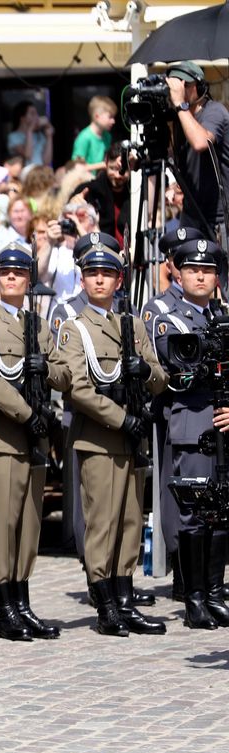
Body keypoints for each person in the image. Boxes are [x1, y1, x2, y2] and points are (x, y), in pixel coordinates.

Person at [0, 243, 70, 641]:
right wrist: (28, 413)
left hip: (34, 438)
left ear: (28, 279)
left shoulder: (38, 327)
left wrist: (49, 370)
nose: (11, 278)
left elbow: (64, 370)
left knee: (29, 523)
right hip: (3, 434)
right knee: (5, 523)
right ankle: (5, 604)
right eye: (4, 273)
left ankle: (22, 600)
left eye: (18, 273)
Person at [58, 240, 167, 636]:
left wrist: (144, 372)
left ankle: (125, 597)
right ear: (83, 280)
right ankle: (105, 603)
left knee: (130, 521)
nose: (99, 280)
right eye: (92, 274)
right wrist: (122, 419)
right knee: (102, 522)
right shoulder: (75, 329)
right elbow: (79, 391)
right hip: (99, 439)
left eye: (107, 274)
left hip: (130, 439)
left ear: (120, 280)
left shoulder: (134, 325)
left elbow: (160, 377)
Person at [152, 239, 229, 629]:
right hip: (193, 422)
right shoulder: (169, 316)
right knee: (195, 513)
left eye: (209, 270)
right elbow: (180, 364)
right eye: (193, 269)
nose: (201, 275)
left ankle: (215, 593)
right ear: (178, 274)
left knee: (222, 514)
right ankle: (194, 598)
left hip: (224, 421)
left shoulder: (223, 314)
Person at [167, 61, 229, 237]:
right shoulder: (181, 118)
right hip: (191, 214)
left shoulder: (215, 111)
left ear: (200, 87)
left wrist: (180, 104)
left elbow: (201, 143)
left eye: (185, 84)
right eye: (176, 85)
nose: (180, 90)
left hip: (219, 217)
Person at [72, 96, 117, 169]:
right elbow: (78, 167)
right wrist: (106, 165)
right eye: (110, 117)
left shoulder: (107, 136)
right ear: (97, 116)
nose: (113, 121)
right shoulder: (84, 137)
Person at [7, 101, 54, 168]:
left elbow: (47, 160)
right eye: (32, 113)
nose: (36, 116)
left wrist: (49, 136)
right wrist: (30, 130)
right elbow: (28, 155)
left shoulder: (40, 135)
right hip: (26, 175)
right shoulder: (13, 137)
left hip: (41, 173)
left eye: (36, 113)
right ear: (22, 118)